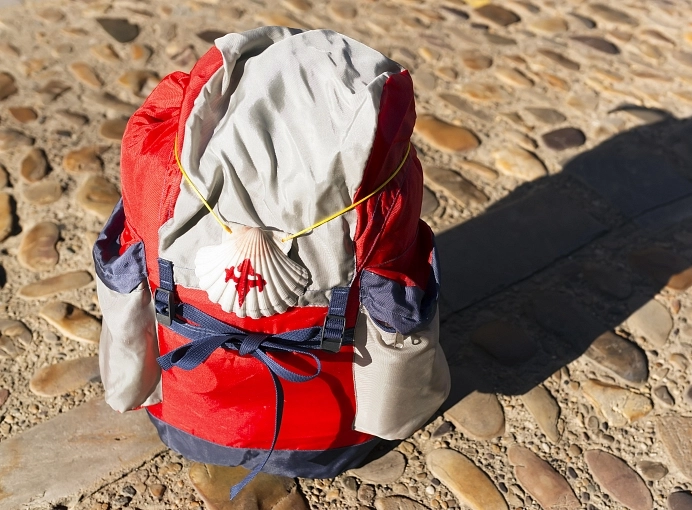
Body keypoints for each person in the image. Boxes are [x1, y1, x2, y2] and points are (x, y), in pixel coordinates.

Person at [93, 26, 450, 498]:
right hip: (336, 437)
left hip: (186, 418)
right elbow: (396, 316)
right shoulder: (374, 193)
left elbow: (127, 284)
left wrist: (125, 387)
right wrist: (398, 418)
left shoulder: (168, 176)